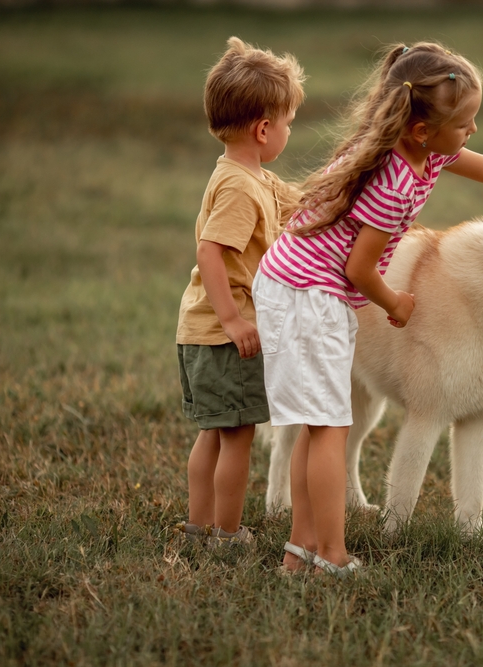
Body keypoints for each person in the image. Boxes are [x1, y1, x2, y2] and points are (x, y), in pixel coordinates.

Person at [253, 42, 483, 575]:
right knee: (329, 427)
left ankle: (300, 552)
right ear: (422, 130)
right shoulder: (394, 182)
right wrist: (395, 303)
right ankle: (321, 552)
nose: (473, 131)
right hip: (307, 294)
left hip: (305, 286)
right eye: (466, 121)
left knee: (325, 425)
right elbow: (360, 268)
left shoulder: (425, 148)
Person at [174, 37, 304, 548]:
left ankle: (198, 527)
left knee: (213, 432)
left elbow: (303, 202)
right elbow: (210, 252)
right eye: (289, 123)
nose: (290, 132)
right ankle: (227, 535)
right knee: (237, 439)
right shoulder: (240, 188)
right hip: (225, 335)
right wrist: (233, 320)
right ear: (264, 128)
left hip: (201, 331)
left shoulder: (251, 177)